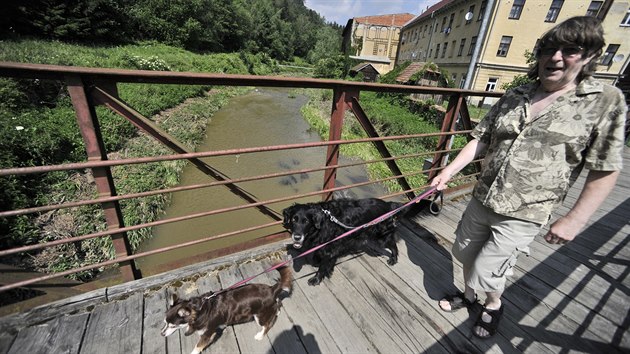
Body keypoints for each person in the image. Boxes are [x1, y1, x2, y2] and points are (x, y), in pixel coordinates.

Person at [430, 16, 627, 339]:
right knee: (463, 252)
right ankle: (468, 297)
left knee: (487, 269)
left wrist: (575, 220)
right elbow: (481, 138)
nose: (556, 57)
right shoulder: (516, 94)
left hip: (526, 211)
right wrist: (448, 171)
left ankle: (492, 305)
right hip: (483, 197)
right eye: (549, 48)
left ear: (590, 56)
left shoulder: (604, 101)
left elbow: (605, 167)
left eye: (570, 50)